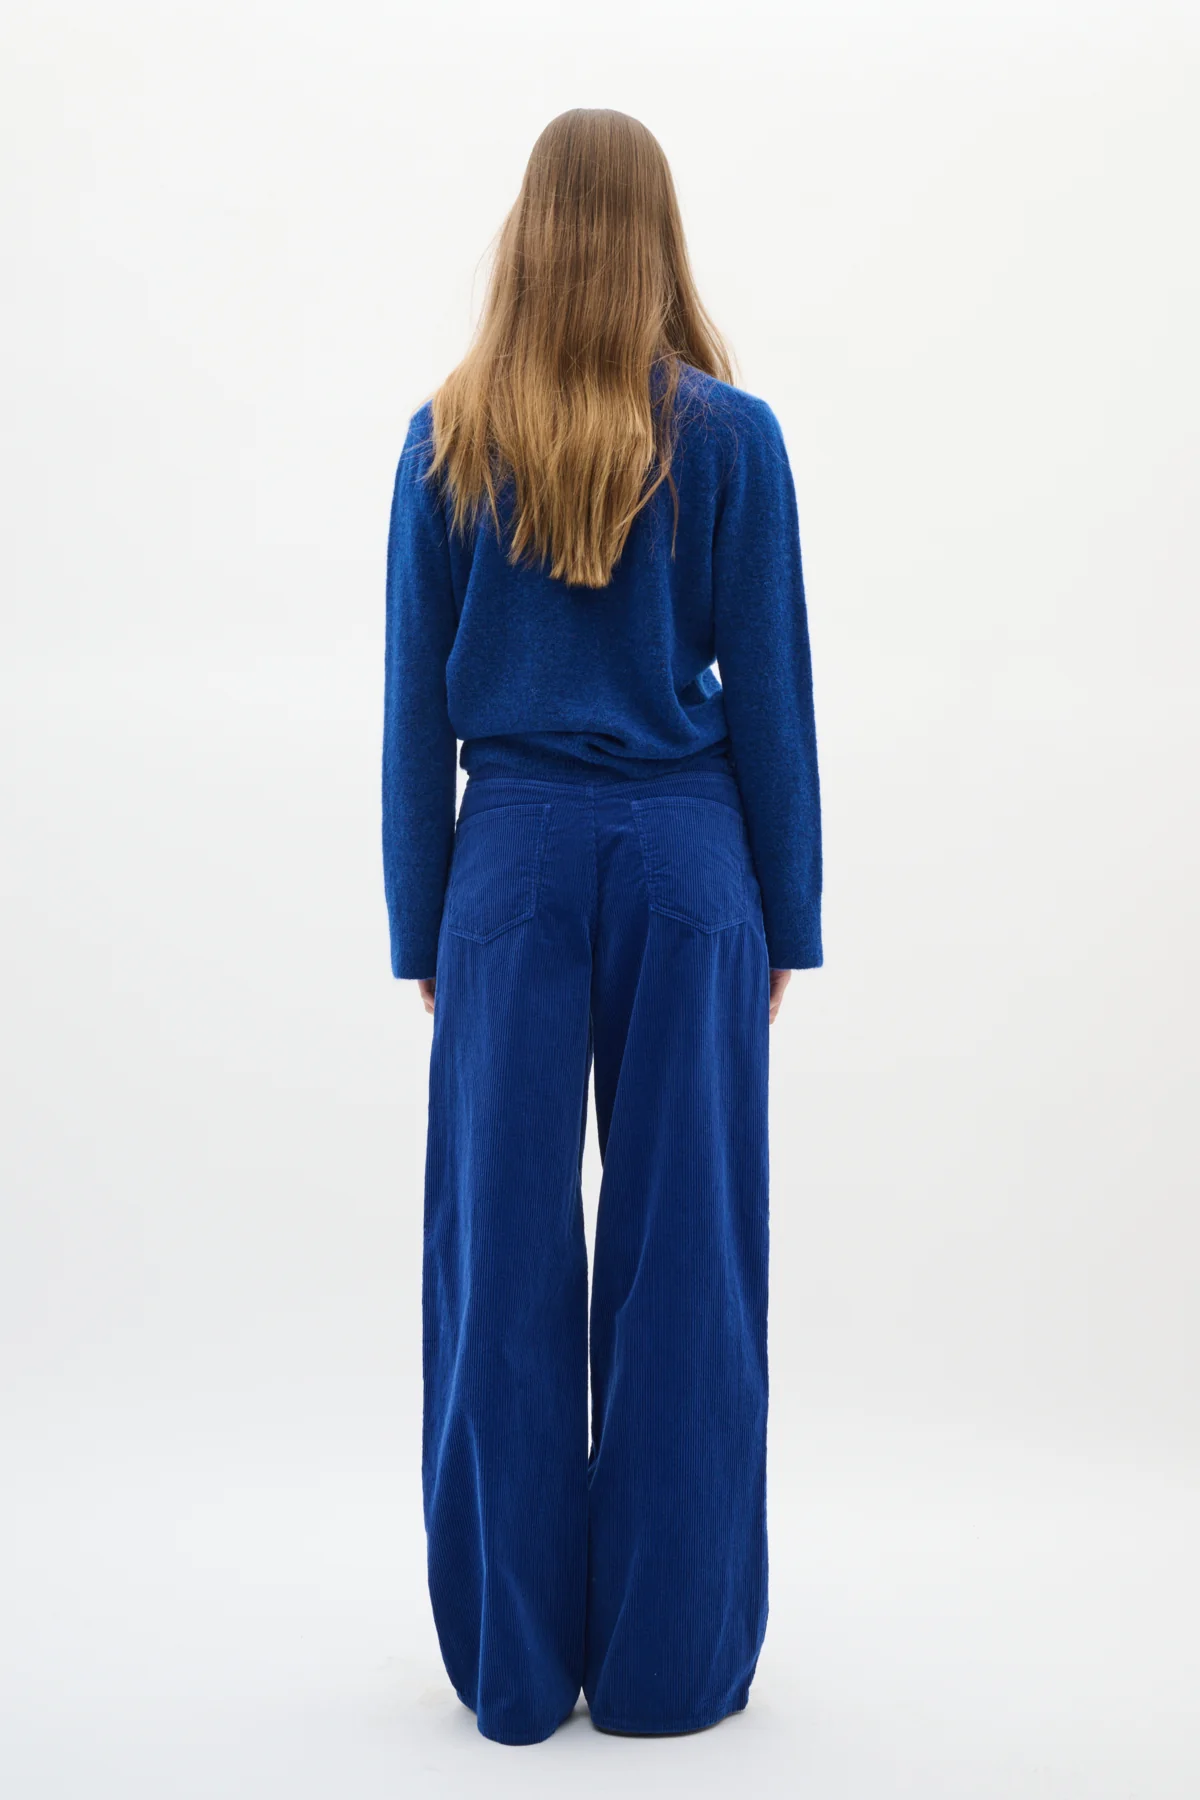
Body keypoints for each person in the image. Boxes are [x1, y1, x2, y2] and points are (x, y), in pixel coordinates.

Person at [381, 107, 823, 1747]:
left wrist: (422, 922)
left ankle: (511, 1671)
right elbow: (771, 693)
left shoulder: (447, 439)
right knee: (689, 1259)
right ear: (659, 236)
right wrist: (789, 914)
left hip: (507, 868)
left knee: (496, 1254)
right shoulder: (735, 441)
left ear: (530, 232)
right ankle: (667, 1672)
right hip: (693, 866)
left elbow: (410, 710)